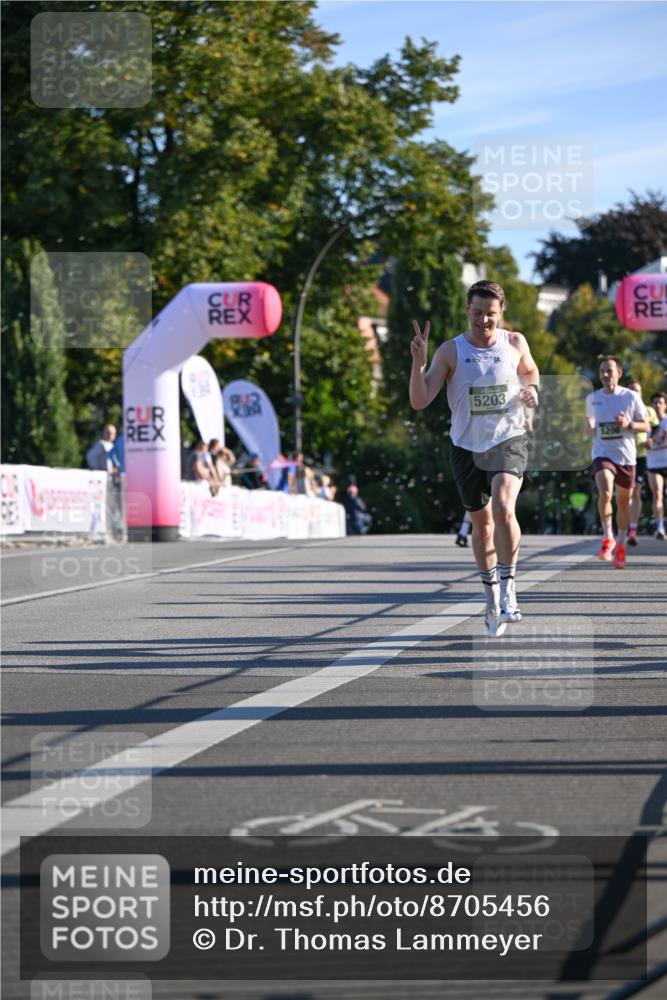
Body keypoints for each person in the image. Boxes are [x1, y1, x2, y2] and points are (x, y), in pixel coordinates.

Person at [409, 279, 539, 638]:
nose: (484, 321)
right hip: (466, 447)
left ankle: (510, 589)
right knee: (481, 527)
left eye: (491, 315)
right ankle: (491, 598)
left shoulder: (515, 342)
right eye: (478, 313)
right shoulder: (450, 351)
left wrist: (531, 389)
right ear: (467, 310)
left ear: (502, 313)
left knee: (504, 508)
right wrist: (418, 363)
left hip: (508, 439)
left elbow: (529, 369)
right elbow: (419, 401)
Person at [585, 357, 649, 568]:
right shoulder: (592, 398)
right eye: (602, 371)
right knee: (604, 490)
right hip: (602, 454)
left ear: (619, 373)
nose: (605, 375)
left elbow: (646, 426)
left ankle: (620, 545)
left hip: (626, 457)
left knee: (623, 502)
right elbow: (589, 428)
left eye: (609, 371)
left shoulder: (631, 397)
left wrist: (628, 424)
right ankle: (607, 536)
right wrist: (589, 425)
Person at [625, 379, 657, 545]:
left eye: (636, 390)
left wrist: (651, 440)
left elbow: (656, 429)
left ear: (641, 393)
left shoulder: (648, 410)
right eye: (630, 390)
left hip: (641, 456)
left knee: (636, 490)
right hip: (623, 455)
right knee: (625, 493)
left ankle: (632, 529)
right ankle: (623, 526)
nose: (634, 393)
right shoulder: (621, 408)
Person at [646, 391, 667, 539]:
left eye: (660, 402)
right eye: (655, 403)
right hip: (653, 463)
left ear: (665, 405)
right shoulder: (645, 423)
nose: (657, 405)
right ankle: (660, 527)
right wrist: (646, 443)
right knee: (657, 493)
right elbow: (638, 443)